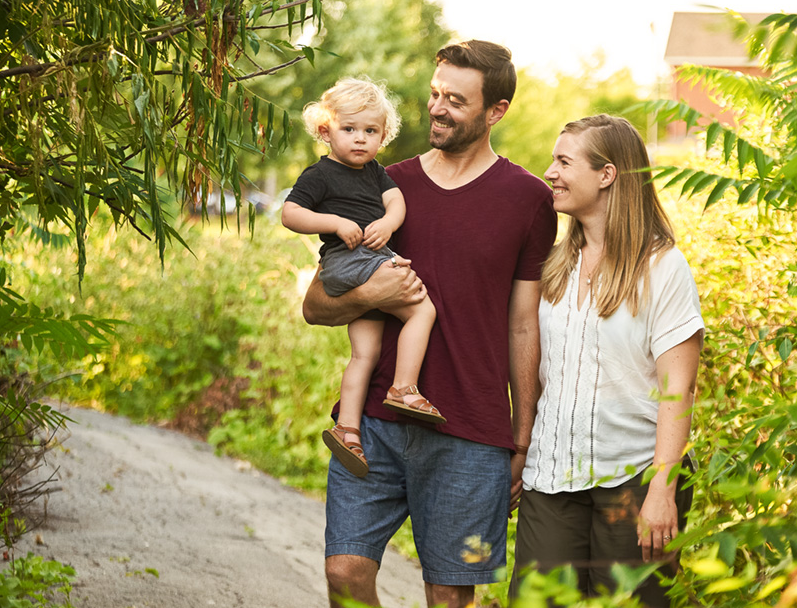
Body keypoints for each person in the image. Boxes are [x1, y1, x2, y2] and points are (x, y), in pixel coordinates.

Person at [301, 41, 558, 608]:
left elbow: (523, 325)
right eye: (435, 94)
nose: (437, 109)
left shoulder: (528, 200)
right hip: (372, 423)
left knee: (448, 596)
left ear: (496, 111)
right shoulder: (379, 183)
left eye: (456, 100)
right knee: (344, 572)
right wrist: (372, 291)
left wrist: (522, 436)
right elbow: (317, 305)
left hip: (470, 432)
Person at [509, 114, 704, 607]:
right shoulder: (553, 265)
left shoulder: (662, 267)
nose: (549, 172)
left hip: (632, 479)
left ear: (607, 174)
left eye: (563, 161)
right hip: (551, 477)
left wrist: (663, 486)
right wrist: (520, 444)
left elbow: (678, 389)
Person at [282, 77, 444, 478]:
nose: (360, 140)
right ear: (326, 131)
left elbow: (396, 202)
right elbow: (290, 213)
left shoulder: (375, 173)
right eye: (349, 129)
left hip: (366, 256)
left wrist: (389, 224)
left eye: (370, 132)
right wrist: (335, 222)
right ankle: (404, 388)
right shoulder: (319, 175)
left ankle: (347, 429)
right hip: (347, 259)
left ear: (382, 136)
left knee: (364, 354)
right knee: (422, 309)